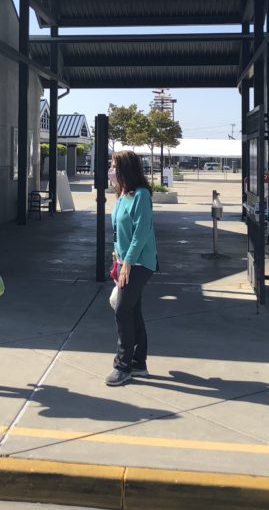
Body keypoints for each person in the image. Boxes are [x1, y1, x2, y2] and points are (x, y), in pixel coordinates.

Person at [107, 150, 158, 386]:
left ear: (126, 168)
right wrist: (117, 259)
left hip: (138, 263)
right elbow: (119, 232)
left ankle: (123, 365)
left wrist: (127, 261)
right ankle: (139, 362)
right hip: (124, 262)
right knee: (132, 310)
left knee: (122, 310)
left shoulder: (141, 195)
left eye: (115, 166)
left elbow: (141, 233)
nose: (111, 170)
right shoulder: (122, 195)